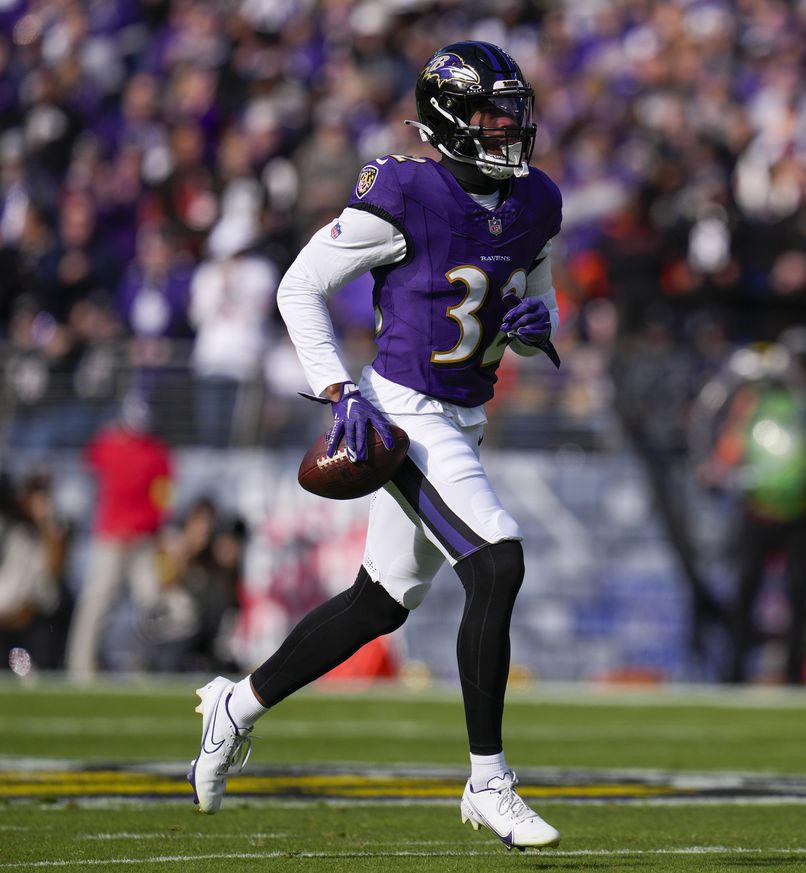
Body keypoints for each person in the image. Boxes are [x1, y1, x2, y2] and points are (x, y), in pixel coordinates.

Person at [188, 43, 564, 851]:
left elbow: (542, 299)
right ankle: (488, 779)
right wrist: (339, 389)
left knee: (381, 601)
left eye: (512, 114)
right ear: (447, 120)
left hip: (464, 414)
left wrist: (540, 327)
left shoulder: (535, 201)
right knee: (497, 559)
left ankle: (236, 704)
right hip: (402, 411)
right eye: (490, 115)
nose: (507, 129)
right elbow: (299, 286)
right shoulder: (404, 190)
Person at [705, 330, 806, 685]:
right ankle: (735, 672)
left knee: (800, 595)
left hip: (805, 515)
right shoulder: (756, 401)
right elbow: (732, 446)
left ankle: (794, 674)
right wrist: (719, 470)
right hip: (758, 510)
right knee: (744, 593)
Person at [65, 394, 173, 679]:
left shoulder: (157, 453)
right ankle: (80, 667)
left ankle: (145, 666)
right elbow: (87, 469)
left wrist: (152, 531)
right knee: (96, 600)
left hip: (142, 540)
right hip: (111, 537)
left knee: (151, 603)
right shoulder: (108, 443)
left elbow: (163, 500)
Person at [0, 472, 69, 672]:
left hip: (31, 624)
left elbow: (56, 569)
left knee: (40, 682)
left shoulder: (50, 527)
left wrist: (45, 520)